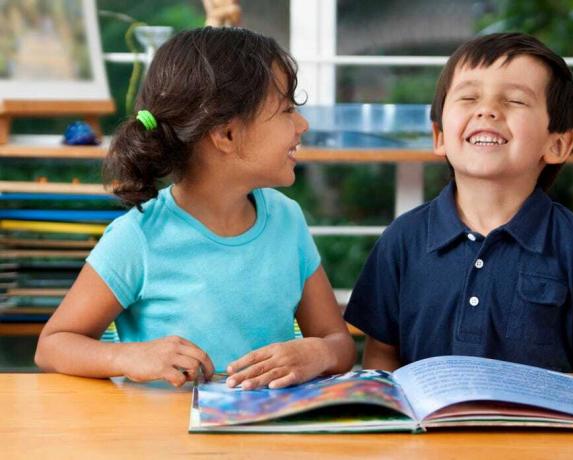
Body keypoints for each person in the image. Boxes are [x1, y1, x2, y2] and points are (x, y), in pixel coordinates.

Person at [35, 27, 356, 389]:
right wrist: (127, 356)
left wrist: (319, 353)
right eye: (286, 110)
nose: (302, 125)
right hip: (165, 442)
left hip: (267, 438)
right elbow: (52, 345)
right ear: (226, 135)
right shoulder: (139, 235)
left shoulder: (287, 219)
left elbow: (339, 343)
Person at [344, 32, 573, 373]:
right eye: (469, 97)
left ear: (558, 145)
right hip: (426, 427)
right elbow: (382, 358)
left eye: (514, 101)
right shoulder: (401, 240)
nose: (487, 110)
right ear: (440, 136)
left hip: (544, 428)